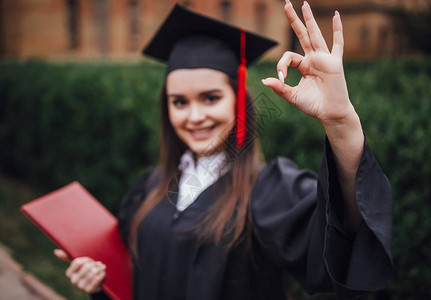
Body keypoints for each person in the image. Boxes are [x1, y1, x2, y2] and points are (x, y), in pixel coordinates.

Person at [54, 1, 393, 299]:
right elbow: (133, 277)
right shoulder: (151, 186)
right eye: (179, 102)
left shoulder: (268, 189)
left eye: (211, 98)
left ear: (239, 102)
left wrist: (341, 124)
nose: (195, 116)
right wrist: (99, 282)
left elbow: (343, 231)